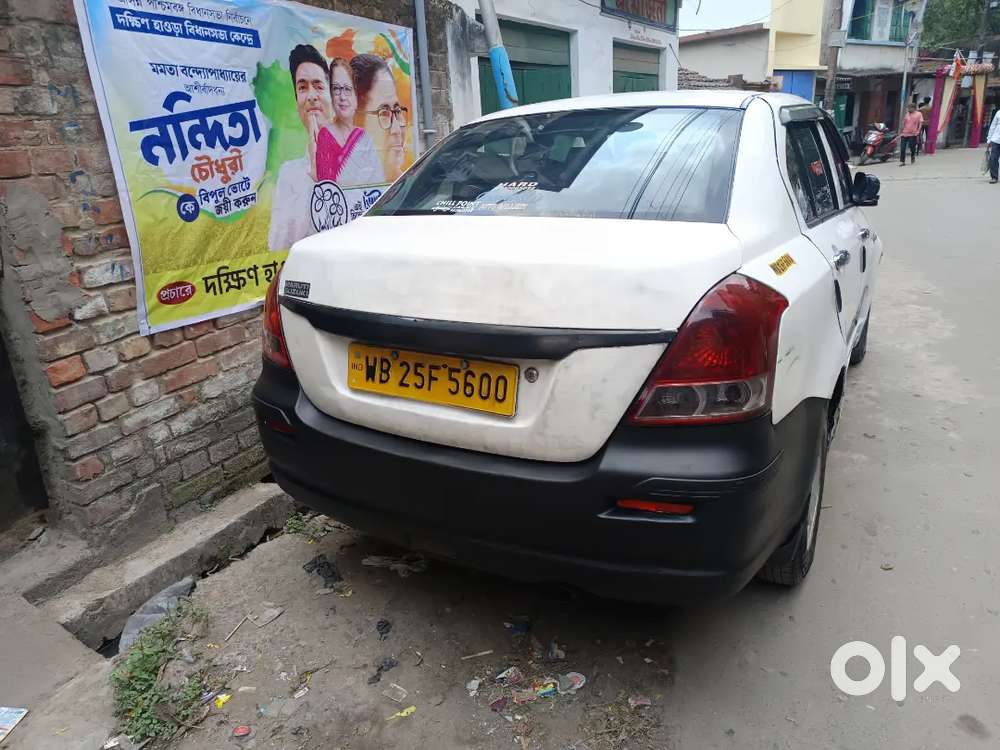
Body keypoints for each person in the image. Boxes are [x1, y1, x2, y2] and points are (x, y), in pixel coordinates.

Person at [268, 44, 335, 251]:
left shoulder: (361, 157)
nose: (311, 96)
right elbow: (278, 246)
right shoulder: (289, 174)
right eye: (302, 87)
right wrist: (313, 178)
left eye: (318, 85)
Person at [315, 57, 384, 185]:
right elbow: (327, 191)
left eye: (347, 89)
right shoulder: (325, 136)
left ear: (355, 96)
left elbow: (378, 183)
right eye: (336, 89)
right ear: (330, 94)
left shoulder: (365, 138)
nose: (342, 97)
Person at [351, 54, 409, 181]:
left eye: (397, 111)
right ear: (357, 122)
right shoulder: (343, 186)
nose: (397, 130)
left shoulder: (411, 189)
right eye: (384, 113)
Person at [987, 107, 1000, 184]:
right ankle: (994, 177)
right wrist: (989, 139)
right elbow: (993, 126)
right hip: (996, 140)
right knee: (993, 159)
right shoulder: (998, 113)